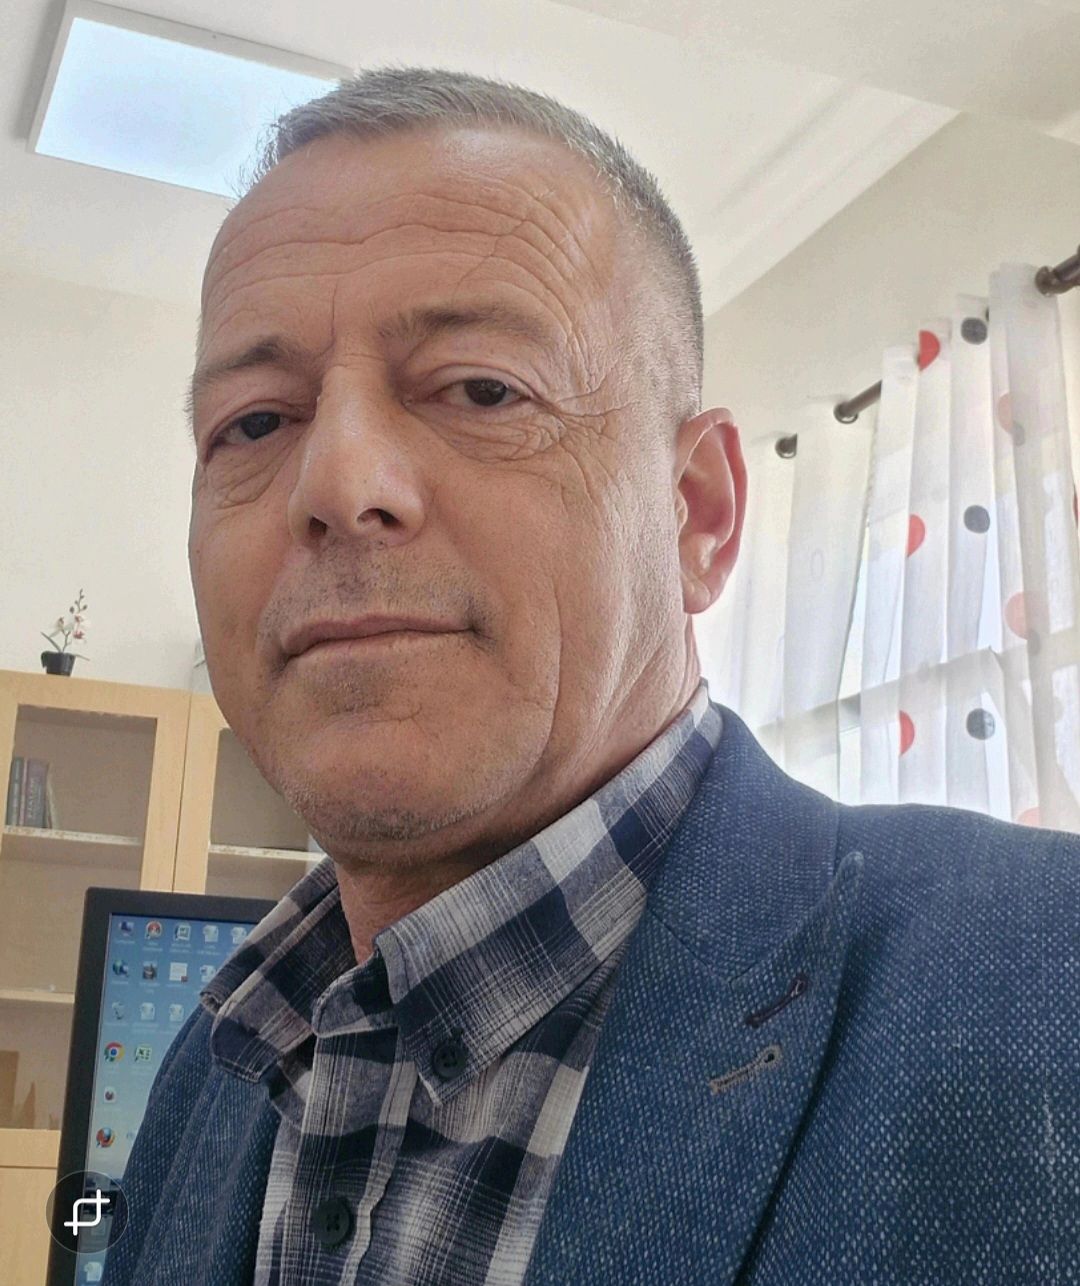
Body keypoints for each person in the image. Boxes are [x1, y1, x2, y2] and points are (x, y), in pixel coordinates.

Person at [101, 67, 1078, 1286]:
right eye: (253, 422)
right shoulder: (209, 1075)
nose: (336, 485)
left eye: (482, 389)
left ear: (699, 514)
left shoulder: (1049, 985)